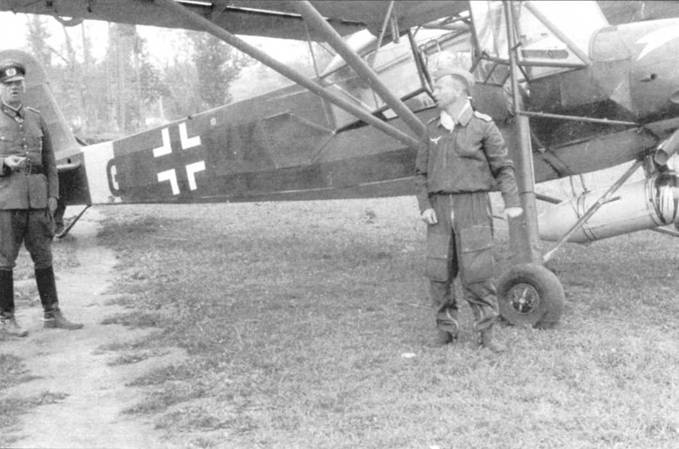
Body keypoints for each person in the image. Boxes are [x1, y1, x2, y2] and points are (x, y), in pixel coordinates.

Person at [415, 60, 523, 352]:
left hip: (473, 206)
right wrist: (424, 204)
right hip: (438, 209)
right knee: (438, 274)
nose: (434, 91)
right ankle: (446, 330)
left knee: (478, 273)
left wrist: (511, 201)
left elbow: (503, 167)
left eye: (440, 86)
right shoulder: (431, 129)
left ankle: (486, 333)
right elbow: (421, 173)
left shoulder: (483, 126)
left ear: (460, 89)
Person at [0, 60, 83, 337]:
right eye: (9, 85)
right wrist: (3, 164)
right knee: (4, 261)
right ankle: (6, 319)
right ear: (1, 87)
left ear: (24, 86)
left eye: (18, 84)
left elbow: (49, 162)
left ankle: (52, 312)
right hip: (7, 201)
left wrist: (53, 196)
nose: (14, 89)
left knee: (44, 257)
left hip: (37, 201)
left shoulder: (36, 118)